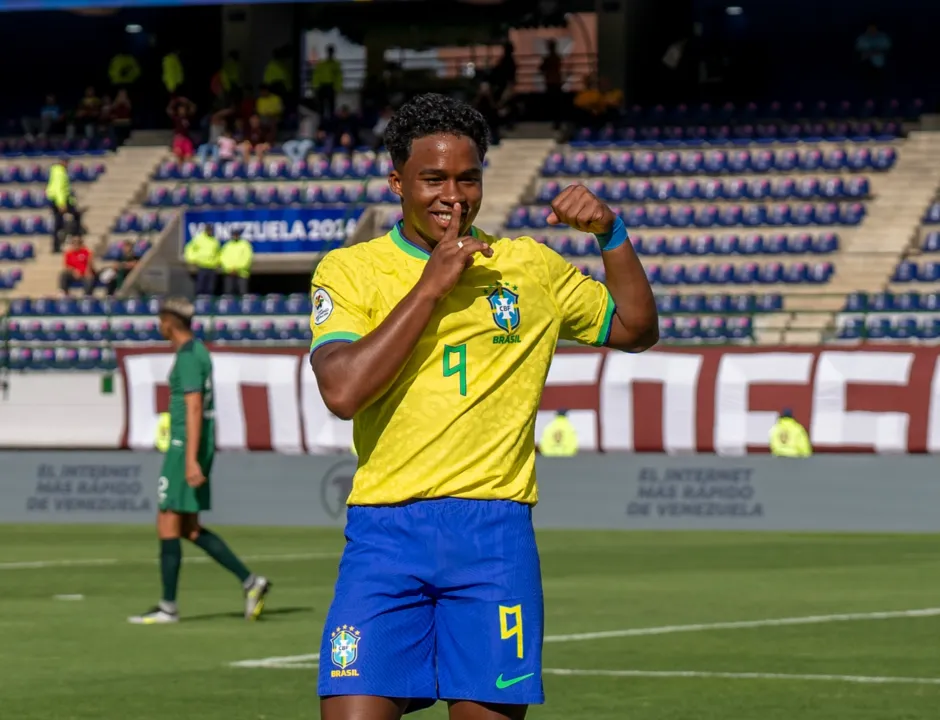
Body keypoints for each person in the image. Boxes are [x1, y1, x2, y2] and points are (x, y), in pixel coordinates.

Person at [308, 93, 658, 720]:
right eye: (433, 179)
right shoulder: (351, 270)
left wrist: (612, 233)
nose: (453, 195)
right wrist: (430, 286)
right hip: (385, 534)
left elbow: (636, 327)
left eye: (467, 177)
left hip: (493, 537)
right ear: (397, 182)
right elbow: (342, 391)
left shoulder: (528, 267)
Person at [129, 297, 272, 625]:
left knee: (167, 520)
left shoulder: (188, 358)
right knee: (189, 528)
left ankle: (168, 607)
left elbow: (194, 408)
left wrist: (190, 459)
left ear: (168, 321)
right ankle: (251, 582)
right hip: (192, 445)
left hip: (184, 447)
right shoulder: (198, 352)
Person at [219, 228, 253, 296]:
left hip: (242, 273)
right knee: (229, 294)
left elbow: (247, 258)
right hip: (229, 273)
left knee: (242, 293)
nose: (235, 236)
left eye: (237, 234)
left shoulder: (245, 244)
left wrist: (237, 269)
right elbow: (223, 258)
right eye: (234, 235)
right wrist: (229, 269)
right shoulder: (227, 245)